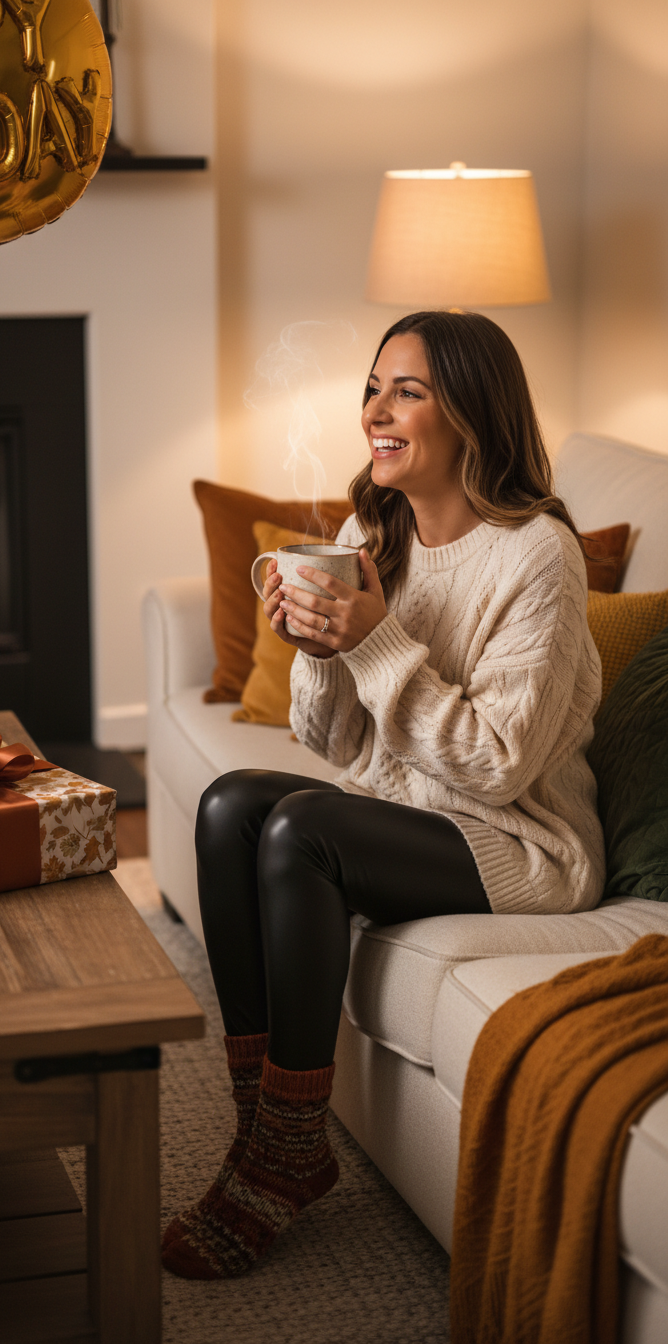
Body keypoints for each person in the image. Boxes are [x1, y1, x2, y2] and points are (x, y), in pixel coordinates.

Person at [161, 310, 605, 1280]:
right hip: (414, 813)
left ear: (473, 415)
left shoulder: (540, 555)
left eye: (408, 390)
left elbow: (497, 767)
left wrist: (369, 639)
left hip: (518, 843)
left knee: (301, 830)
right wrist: (315, 648)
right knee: (233, 804)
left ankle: (282, 1152)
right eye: (374, 387)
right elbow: (331, 741)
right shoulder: (375, 528)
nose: (378, 410)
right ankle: (265, 1132)